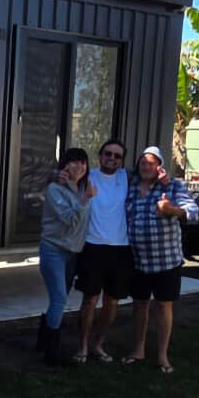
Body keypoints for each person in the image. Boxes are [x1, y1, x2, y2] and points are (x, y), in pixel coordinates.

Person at [123, 145, 199, 374]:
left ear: (159, 166)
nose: (146, 167)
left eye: (151, 163)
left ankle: (162, 356)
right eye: (143, 163)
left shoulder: (173, 186)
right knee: (139, 305)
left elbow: (196, 213)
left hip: (166, 261)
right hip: (138, 260)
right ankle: (138, 350)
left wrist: (172, 210)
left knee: (164, 306)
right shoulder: (131, 186)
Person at [73, 138, 131, 363]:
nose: (112, 158)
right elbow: (61, 178)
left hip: (120, 248)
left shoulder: (127, 178)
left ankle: (98, 344)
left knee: (112, 301)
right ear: (100, 155)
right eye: (108, 153)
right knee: (89, 300)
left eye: (117, 156)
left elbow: (153, 177)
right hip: (92, 246)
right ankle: (82, 346)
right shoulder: (88, 176)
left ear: (122, 160)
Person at [38, 147, 95, 367]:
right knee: (59, 298)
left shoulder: (82, 187)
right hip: (53, 250)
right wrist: (84, 200)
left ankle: (43, 343)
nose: (79, 166)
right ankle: (51, 352)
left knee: (58, 300)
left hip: (73, 253)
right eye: (73, 162)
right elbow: (69, 219)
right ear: (64, 166)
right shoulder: (55, 189)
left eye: (82, 162)